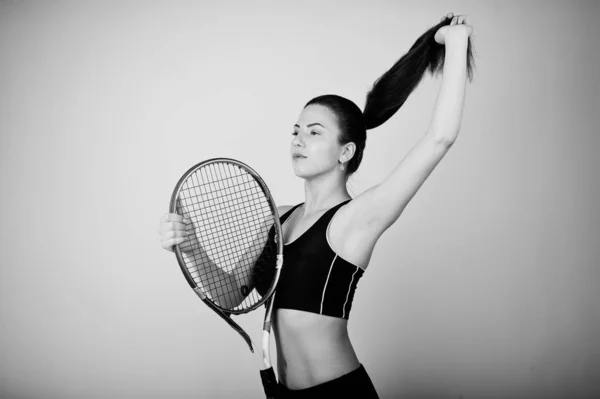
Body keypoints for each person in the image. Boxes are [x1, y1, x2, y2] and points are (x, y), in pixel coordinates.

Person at [159, 12, 475, 398]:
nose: (298, 141)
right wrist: (193, 246)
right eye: (295, 131)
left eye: (314, 132)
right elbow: (230, 297)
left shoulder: (358, 218)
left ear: (346, 151)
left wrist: (455, 44)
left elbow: (440, 138)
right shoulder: (277, 220)